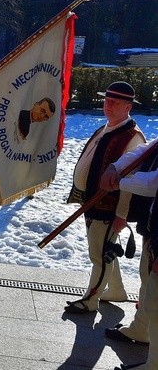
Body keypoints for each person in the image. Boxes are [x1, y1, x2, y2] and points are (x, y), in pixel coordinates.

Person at [64, 81, 145, 314]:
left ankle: (90, 299)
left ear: (128, 106)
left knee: (98, 254)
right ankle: (117, 289)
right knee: (105, 248)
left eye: (115, 102)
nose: (108, 106)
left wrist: (121, 216)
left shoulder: (132, 138)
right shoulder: (107, 128)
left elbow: (129, 184)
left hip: (108, 207)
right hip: (92, 202)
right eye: (107, 100)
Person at [100, 138, 158, 370]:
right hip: (153, 229)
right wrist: (116, 168)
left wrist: (121, 181)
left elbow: (155, 181)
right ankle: (141, 329)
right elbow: (146, 150)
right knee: (149, 284)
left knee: (156, 298)